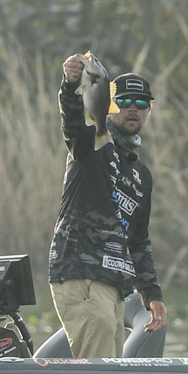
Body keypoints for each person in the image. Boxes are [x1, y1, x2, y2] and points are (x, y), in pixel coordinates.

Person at [48, 53, 167, 358]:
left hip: (115, 285)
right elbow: (73, 122)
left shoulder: (141, 175)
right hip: (81, 273)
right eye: (124, 102)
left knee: (109, 369)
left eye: (141, 103)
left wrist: (152, 294)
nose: (132, 109)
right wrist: (70, 85)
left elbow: (138, 240)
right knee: (97, 369)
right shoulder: (92, 142)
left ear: (149, 111)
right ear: (109, 105)